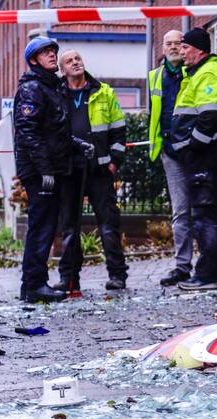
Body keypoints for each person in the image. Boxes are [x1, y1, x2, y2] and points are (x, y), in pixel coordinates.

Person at [12, 36, 93, 303]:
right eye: (44, 52)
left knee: (45, 225)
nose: (50, 55)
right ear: (33, 60)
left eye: (52, 51)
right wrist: (45, 170)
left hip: (51, 168)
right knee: (42, 226)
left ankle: (32, 285)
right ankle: (35, 285)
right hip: (39, 171)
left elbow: (55, 133)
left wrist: (78, 144)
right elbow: (28, 133)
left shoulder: (51, 87)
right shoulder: (32, 88)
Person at [57, 49, 128, 292]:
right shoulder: (57, 94)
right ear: (62, 70)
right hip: (69, 170)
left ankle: (117, 275)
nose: (75, 62)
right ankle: (69, 278)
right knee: (69, 226)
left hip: (99, 169)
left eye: (78, 59)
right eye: (69, 61)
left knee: (109, 225)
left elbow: (119, 129)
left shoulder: (104, 92)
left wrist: (114, 161)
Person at [169, 27, 217, 291]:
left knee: (204, 214)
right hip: (203, 154)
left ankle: (206, 276)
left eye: (185, 47)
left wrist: (192, 147)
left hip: (204, 155)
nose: (181, 51)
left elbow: (208, 117)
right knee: (203, 212)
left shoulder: (208, 73)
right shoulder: (198, 73)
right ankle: (208, 273)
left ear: (199, 50)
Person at [148, 30, 192, 288]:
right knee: (180, 210)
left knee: (202, 208)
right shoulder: (155, 77)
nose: (174, 47)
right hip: (170, 151)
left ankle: (206, 265)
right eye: (169, 43)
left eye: (178, 43)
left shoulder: (193, 71)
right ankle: (182, 266)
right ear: (162, 48)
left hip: (196, 149)